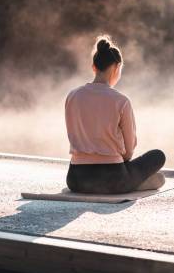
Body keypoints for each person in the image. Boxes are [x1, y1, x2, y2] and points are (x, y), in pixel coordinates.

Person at [65, 35, 166, 194]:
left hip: (76, 179)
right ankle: (131, 183)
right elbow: (128, 152)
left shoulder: (72, 96)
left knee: (152, 176)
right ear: (116, 67)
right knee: (158, 158)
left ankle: (126, 182)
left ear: (94, 67)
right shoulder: (121, 101)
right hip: (112, 179)